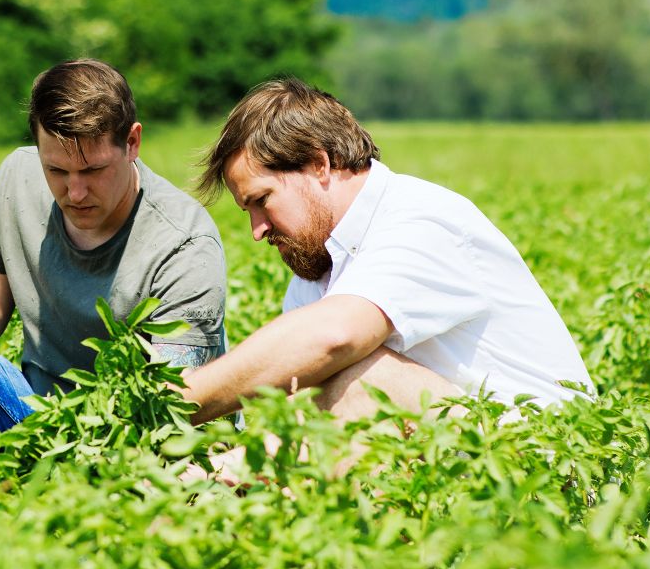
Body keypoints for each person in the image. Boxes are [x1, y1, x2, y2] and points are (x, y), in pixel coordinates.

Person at [0, 59, 229, 449]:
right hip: (39, 413)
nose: (75, 192)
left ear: (132, 142)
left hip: (134, 435)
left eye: (93, 170)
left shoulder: (184, 244)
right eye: (56, 170)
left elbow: (174, 404)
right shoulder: (18, 178)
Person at [182, 77, 592, 429]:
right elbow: (296, 403)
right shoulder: (319, 268)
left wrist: (177, 401)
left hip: (550, 463)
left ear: (318, 165)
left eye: (262, 200)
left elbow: (334, 337)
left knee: (364, 378)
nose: (258, 230)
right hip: (465, 463)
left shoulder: (421, 219)